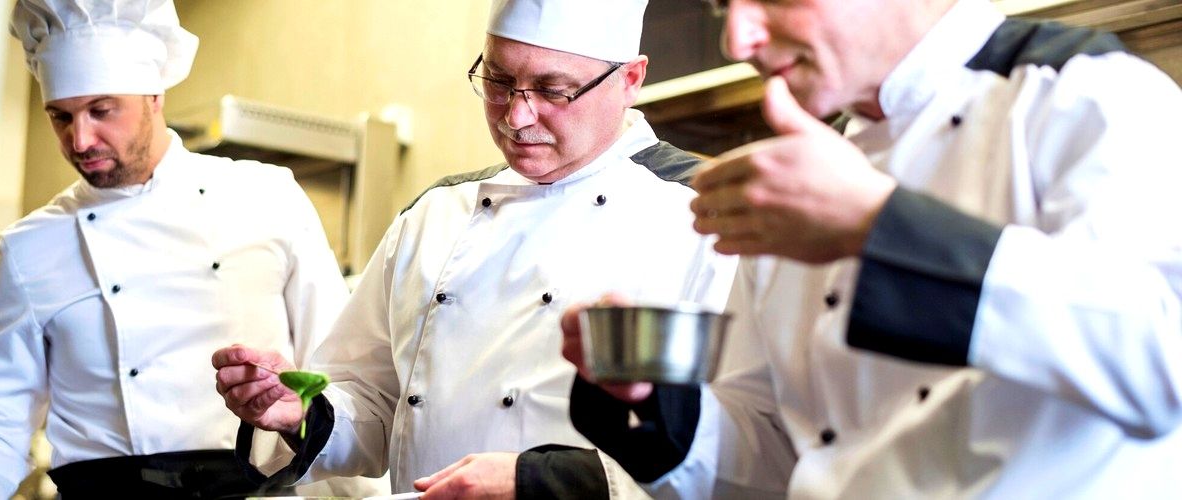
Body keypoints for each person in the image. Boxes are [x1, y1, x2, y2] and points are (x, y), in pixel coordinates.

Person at [563, 0, 1182, 497]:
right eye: (728, 5)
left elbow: (1164, 359)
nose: (739, 39)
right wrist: (650, 405)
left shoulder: (1088, 96)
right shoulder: (805, 171)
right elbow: (780, 452)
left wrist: (878, 227)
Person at [211, 0, 737, 497]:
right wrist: (298, 411)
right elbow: (371, 402)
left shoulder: (709, 218)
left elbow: (733, 445)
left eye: (553, 90)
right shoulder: (434, 216)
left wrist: (538, 486)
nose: (517, 116)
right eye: (499, 82)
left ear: (631, 80)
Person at [0, 1, 373, 498]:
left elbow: (338, 377)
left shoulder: (268, 198)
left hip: (254, 489)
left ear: (154, 95)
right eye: (61, 116)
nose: (80, 139)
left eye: (101, 110)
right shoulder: (29, 248)